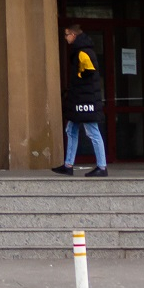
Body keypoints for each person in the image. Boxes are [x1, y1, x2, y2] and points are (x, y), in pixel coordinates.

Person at [52, 24, 108, 178]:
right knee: (71, 130)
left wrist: (79, 80)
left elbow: (88, 72)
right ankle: (68, 165)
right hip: (81, 99)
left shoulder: (83, 52)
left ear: (73, 35)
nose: (65, 38)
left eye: (66, 35)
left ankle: (102, 167)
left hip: (85, 100)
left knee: (93, 132)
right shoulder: (80, 51)